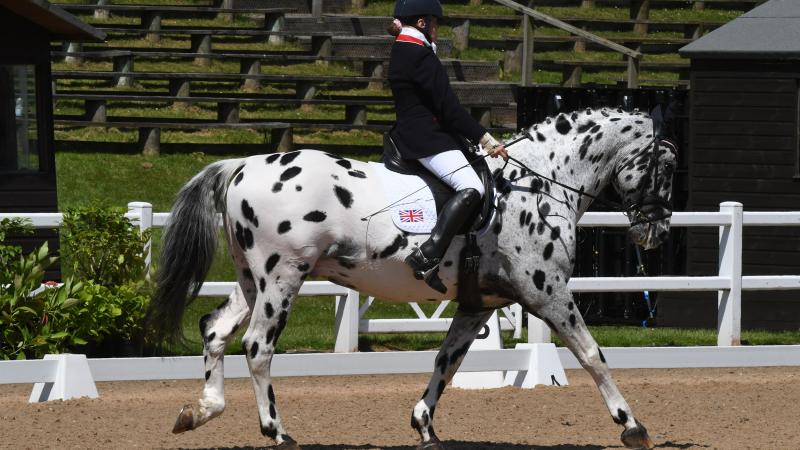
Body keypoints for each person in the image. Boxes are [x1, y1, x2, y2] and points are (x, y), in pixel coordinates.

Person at [387, 0, 508, 283]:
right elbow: (449, 110)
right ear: (422, 23)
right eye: (435, 23)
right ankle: (428, 254)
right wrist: (487, 141)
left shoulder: (404, 48)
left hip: (413, 133)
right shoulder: (419, 54)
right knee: (472, 186)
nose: (438, 29)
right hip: (426, 139)